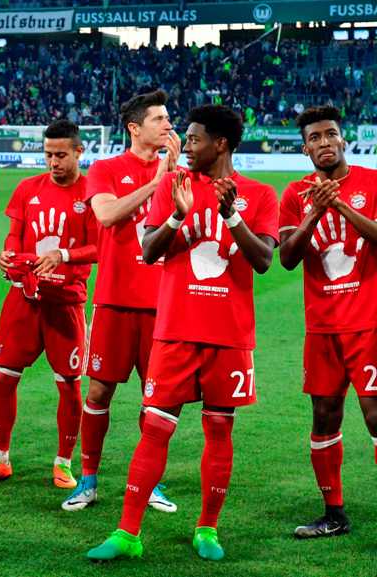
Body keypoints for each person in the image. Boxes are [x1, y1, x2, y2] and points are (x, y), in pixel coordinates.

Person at [87, 105, 278, 562]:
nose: (185, 145)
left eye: (194, 139)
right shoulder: (174, 185)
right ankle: (127, 532)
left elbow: (264, 259)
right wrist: (176, 217)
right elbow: (149, 251)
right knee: (154, 428)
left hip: (229, 334)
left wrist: (232, 217)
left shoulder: (260, 195)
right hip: (174, 331)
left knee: (218, 429)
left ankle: (207, 529)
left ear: (222, 145)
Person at [63, 89, 180, 513]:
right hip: (114, 302)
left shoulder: (180, 174)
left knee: (158, 401)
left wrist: (171, 175)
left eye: (169, 119)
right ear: (135, 127)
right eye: (159, 119)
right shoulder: (107, 169)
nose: (168, 125)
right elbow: (108, 216)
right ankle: (88, 480)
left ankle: (152, 484)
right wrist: (157, 182)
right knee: (98, 392)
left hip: (165, 307)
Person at [0, 119, 96, 488]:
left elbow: (99, 249)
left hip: (66, 304)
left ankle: (63, 462)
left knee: (69, 384)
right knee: (4, 379)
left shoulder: (91, 194)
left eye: (61, 155)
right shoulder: (28, 189)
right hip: (24, 300)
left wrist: (64, 255)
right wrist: (8, 256)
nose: (53, 162)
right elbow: (13, 236)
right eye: (48, 155)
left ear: (78, 152)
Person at [278, 105, 377, 538]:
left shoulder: (372, 183)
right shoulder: (293, 196)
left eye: (329, 134)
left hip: (369, 322)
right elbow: (285, 258)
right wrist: (315, 212)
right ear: (304, 148)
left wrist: (340, 205)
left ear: (343, 139)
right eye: (314, 137)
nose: (323, 142)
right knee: (324, 415)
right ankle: (333, 514)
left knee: (375, 415)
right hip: (321, 327)